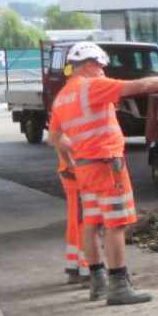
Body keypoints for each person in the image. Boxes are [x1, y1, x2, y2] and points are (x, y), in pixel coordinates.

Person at [51, 42, 158, 305]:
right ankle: (118, 286)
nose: (104, 71)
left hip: (85, 168)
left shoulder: (63, 97)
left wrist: (78, 153)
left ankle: (98, 282)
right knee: (116, 224)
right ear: (90, 64)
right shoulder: (91, 86)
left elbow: (56, 136)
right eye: (102, 66)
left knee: (91, 223)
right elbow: (140, 86)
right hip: (107, 165)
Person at [48, 62, 89, 286]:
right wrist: (76, 160)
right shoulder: (73, 100)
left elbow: (55, 136)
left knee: (77, 220)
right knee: (84, 221)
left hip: (71, 170)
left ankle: (75, 267)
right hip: (76, 171)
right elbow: (57, 138)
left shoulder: (62, 100)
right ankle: (85, 269)